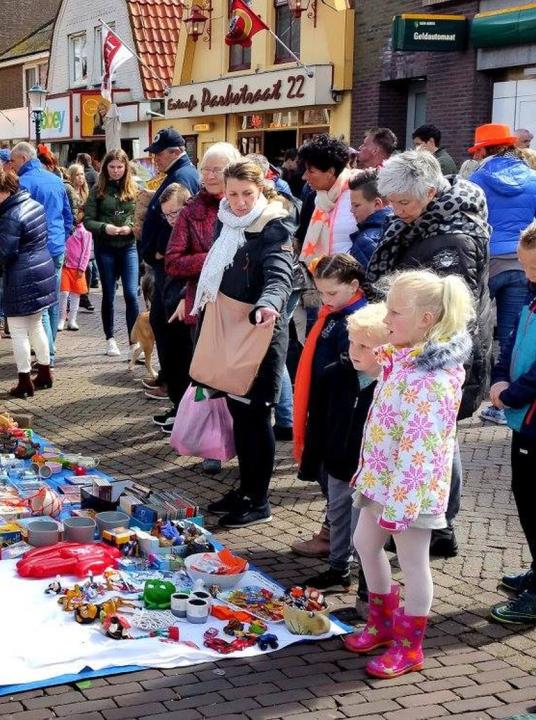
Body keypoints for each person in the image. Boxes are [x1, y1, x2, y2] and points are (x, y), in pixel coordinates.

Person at [344, 269, 474, 679]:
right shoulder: (402, 360)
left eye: (395, 313)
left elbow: (421, 448)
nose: (387, 322)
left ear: (426, 320)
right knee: (365, 542)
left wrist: (402, 501)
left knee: (414, 563)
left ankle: (409, 644)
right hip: (383, 478)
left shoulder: (432, 379)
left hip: (410, 490)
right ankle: (382, 623)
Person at [367, 149, 492, 557]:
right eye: (392, 202)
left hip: (437, 358)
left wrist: (418, 351)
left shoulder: (453, 238)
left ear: (431, 192)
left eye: (403, 202)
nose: (396, 211)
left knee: (439, 440)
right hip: (411, 350)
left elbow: (453, 313)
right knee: (427, 437)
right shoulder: (417, 222)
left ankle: (438, 524)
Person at [194, 160, 293, 528]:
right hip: (228, 328)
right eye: (232, 193)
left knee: (255, 418)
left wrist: (269, 303)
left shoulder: (274, 223)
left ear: (262, 188)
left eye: (246, 194)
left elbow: (280, 272)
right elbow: (216, 271)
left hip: (258, 334)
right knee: (239, 416)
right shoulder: (226, 219)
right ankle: (245, 489)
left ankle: (259, 500)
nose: (238, 202)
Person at [300, 302, 389, 594]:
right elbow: (318, 423)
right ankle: (339, 570)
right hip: (337, 465)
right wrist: (313, 462)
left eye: (365, 346)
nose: (354, 351)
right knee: (337, 516)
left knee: (365, 530)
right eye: (352, 342)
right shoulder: (333, 375)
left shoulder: (391, 385)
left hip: (371, 474)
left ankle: (369, 585)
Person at [165, 142, 242, 446]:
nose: (209, 175)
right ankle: (213, 443)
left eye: (217, 169)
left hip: (241, 306)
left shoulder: (248, 208)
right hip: (205, 304)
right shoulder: (192, 211)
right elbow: (173, 260)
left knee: (241, 378)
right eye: (205, 169)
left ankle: (246, 433)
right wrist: (213, 258)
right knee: (207, 376)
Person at [291, 254, 367, 558]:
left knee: (337, 485)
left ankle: (341, 549)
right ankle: (335, 539)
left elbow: (353, 369)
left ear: (354, 286)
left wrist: (329, 373)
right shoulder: (331, 314)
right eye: (321, 293)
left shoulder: (357, 320)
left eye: (332, 293)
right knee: (328, 482)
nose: (326, 299)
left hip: (340, 416)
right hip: (323, 410)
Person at [469, 124, 536, 425]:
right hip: (523, 262)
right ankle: (503, 403)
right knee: (513, 334)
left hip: (489, 260)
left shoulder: (476, 179)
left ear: (484, 150)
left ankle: (472, 392)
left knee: (478, 329)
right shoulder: (534, 178)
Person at [489, 222, 536, 625]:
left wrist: (514, 392)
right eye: (524, 266)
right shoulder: (533, 297)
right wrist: (500, 375)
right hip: (524, 419)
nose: (527, 275)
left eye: (534, 267)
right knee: (525, 497)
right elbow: (513, 340)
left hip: (531, 416)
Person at [140, 128, 200, 400]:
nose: (155, 160)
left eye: (159, 154)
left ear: (176, 152)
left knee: (172, 336)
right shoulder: (174, 175)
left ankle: (178, 399)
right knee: (163, 328)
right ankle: (174, 392)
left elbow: (180, 222)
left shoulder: (183, 177)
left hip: (171, 270)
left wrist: (165, 251)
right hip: (165, 268)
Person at [11, 142, 73, 368]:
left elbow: (19, 219)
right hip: (56, 247)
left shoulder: (23, 183)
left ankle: (48, 356)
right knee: (52, 301)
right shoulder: (56, 180)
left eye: (15, 161)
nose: (13, 166)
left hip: (34, 250)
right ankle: (49, 350)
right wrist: (61, 238)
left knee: (40, 307)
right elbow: (68, 216)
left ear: (23, 159)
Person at [0, 169, 56, 397]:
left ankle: (24, 381)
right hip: (41, 270)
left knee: (19, 330)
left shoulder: (10, 216)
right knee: (36, 325)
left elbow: (4, 252)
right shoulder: (33, 204)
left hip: (20, 276)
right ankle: (44, 372)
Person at [145, 182, 191, 430]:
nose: (171, 219)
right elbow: (149, 251)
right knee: (169, 358)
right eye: (166, 214)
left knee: (183, 359)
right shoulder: (165, 226)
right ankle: (177, 407)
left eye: (175, 212)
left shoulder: (193, 227)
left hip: (182, 303)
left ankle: (185, 414)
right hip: (164, 299)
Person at [84, 149, 139, 356]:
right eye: (112, 166)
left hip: (128, 246)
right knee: (108, 293)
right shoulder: (97, 189)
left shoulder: (134, 190)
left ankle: (134, 342)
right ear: (105, 167)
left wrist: (131, 227)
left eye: (119, 167)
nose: (116, 171)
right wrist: (103, 227)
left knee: (132, 295)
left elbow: (139, 217)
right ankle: (110, 338)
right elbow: (88, 220)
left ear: (126, 168)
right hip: (105, 247)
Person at [298, 135, 354, 262]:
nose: (304, 177)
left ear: (330, 172)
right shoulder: (316, 197)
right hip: (318, 275)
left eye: (310, 172)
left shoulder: (356, 193)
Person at [348, 169, 392, 267]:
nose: (352, 210)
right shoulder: (405, 228)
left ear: (377, 204)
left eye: (356, 205)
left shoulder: (365, 241)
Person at [67, 163, 95, 312]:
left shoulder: (87, 193)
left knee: (88, 266)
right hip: (73, 234)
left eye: (82, 174)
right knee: (71, 267)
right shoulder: (70, 193)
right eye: (77, 174)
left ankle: (84, 294)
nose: (81, 177)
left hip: (86, 233)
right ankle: (72, 296)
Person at [58, 208, 92, 332]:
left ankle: (72, 319)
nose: (76, 214)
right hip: (65, 266)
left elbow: (86, 250)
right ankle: (62, 318)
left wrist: (82, 267)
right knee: (64, 293)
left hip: (77, 268)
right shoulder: (67, 227)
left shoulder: (85, 230)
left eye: (78, 212)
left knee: (75, 294)